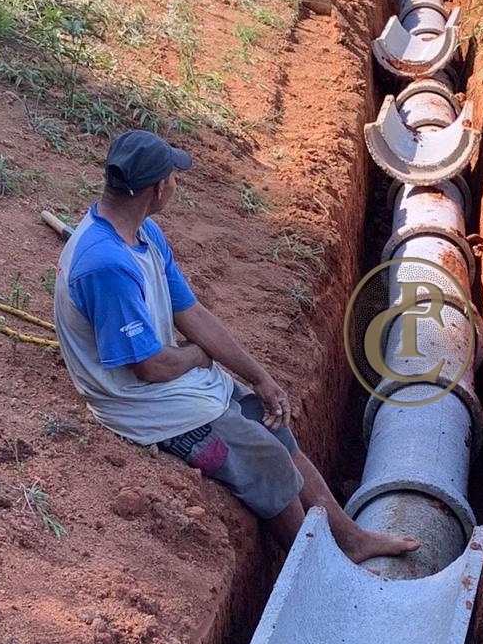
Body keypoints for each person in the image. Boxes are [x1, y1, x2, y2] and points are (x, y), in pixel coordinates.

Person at [53, 130, 418, 564]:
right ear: (157, 188)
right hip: (142, 405)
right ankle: (323, 571)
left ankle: (352, 539)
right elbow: (149, 368)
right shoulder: (106, 265)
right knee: (268, 464)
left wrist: (259, 378)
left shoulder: (143, 234)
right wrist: (198, 357)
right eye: (173, 177)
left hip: (177, 382)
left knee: (277, 434)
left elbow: (192, 313)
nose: (175, 184)